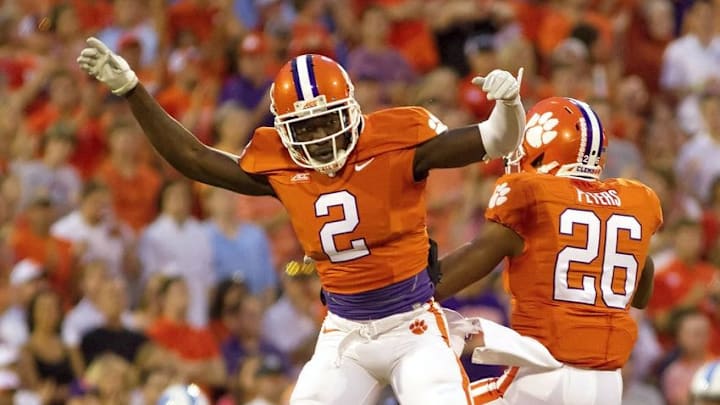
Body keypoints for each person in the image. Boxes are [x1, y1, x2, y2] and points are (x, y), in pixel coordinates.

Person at [76, 37, 525, 404]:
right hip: (343, 331)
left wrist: (508, 106)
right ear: (284, 128)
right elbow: (194, 159)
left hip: (414, 323)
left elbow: (497, 139)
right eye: (304, 128)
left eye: (327, 121)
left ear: (351, 111)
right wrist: (133, 89)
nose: (319, 137)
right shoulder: (282, 167)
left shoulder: (397, 142)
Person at [434, 97, 664, 405]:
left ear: (543, 146)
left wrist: (395, 290)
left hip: (546, 377)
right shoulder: (629, 201)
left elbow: (442, 280)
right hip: (608, 385)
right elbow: (642, 291)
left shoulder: (534, 201)